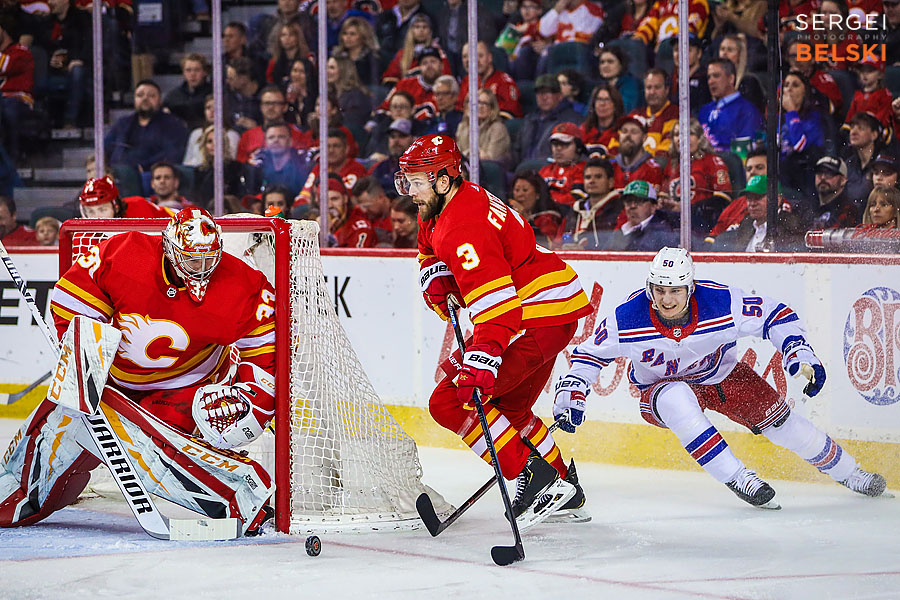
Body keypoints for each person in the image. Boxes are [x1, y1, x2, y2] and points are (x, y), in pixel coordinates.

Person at [0, 208, 276, 532]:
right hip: (113, 379)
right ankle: (12, 497)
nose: (201, 270)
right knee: (56, 426)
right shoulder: (124, 253)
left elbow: (266, 354)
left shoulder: (244, 286)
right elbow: (72, 300)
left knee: (152, 450)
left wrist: (250, 400)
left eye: (208, 260)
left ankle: (242, 496)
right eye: (192, 260)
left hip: (184, 386)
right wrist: (82, 354)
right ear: (171, 250)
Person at [554, 247, 887, 510]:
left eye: (675, 290)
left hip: (723, 376)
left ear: (690, 288)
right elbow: (588, 355)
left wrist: (797, 350)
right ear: (649, 288)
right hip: (660, 391)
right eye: (659, 290)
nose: (666, 299)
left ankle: (852, 474)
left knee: (785, 426)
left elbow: (776, 314)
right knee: (677, 397)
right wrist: (572, 391)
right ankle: (738, 477)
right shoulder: (627, 317)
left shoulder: (721, 302)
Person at [398, 134, 592, 525]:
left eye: (417, 181)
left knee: (450, 401)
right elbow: (427, 246)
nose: (410, 192)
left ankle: (530, 475)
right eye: (407, 181)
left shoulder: (463, 227)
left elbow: (498, 309)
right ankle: (562, 484)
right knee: (513, 408)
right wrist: (434, 277)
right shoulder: (448, 201)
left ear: (443, 178)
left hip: (531, 315)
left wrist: (481, 363)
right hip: (551, 308)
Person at [659, 118, 732, 236]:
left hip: (701, 223)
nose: (682, 138)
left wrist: (687, 209)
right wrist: (663, 203)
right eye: (677, 134)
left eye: (689, 133)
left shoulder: (712, 161)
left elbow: (723, 199)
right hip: (672, 222)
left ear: (699, 138)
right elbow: (663, 194)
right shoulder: (671, 165)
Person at [105, 80, 189, 173]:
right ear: (134, 100)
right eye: (140, 95)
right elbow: (107, 147)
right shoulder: (122, 123)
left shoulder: (174, 124)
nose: (145, 98)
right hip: (119, 172)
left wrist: (143, 167)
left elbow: (173, 154)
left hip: (152, 175)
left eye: (151, 96)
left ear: (160, 100)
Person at [709, 175, 805, 252]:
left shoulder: (792, 226)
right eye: (749, 198)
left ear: (777, 199)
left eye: (758, 197)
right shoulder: (746, 223)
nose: (752, 204)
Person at [698, 58, 764, 153]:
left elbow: (744, 153)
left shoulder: (747, 111)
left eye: (716, 76)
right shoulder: (704, 111)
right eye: (709, 77)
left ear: (730, 79)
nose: (710, 81)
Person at [515, 73, 582, 163]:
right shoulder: (529, 119)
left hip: (550, 171)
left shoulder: (572, 119)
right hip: (523, 171)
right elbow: (516, 151)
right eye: (539, 93)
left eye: (548, 92)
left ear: (560, 96)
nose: (544, 97)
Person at [565, 157, 624, 250]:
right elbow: (560, 238)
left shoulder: (620, 208)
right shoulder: (576, 209)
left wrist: (584, 250)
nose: (591, 181)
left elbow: (614, 244)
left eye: (598, 177)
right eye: (588, 177)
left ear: (611, 182)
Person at [236, 86, 306, 164]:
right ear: (261, 107)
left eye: (275, 103)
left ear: (285, 107)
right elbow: (242, 167)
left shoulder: (300, 135)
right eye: (266, 103)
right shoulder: (247, 136)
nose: (270, 107)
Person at [603, 180, 679, 251]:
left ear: (653, 206)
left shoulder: (662, 234)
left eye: (639, 201)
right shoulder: (620, 233)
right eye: (628, 201)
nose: (632, 206)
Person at [457, 41, 522, 120]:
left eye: (480, 56)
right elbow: (459, 109)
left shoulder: (504, 81)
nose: (473, 60)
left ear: (490, 58)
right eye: (465, 57)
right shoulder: (467, 81)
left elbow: (509, 113)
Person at [382, 13, 451, 86]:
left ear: (430, 31)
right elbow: (390, 76)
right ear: (411, 31)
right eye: (417, 27)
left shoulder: (438, 52)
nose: (421, 30)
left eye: (425, 27)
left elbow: (447, 76)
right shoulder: (402, 54)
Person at [509, 170, 568, 248]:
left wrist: (527, 221)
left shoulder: (548, 218)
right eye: (517, 190)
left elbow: (546, 245)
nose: (520, 194)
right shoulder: (507, 215)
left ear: (537, 194)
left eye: (525, 190)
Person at [455, 89, 512, 166]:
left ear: (492, 108)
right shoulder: (462, 126)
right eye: (476, 102)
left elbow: (491, 159)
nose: (479, 106)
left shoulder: (498, 128)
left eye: (484, 103)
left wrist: (466, 155)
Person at [77, 176, 175, 219]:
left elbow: (178, 219)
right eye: (91, 212)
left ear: (116, 206)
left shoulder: (139, 208)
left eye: (102, 210)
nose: (97, 218)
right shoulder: (81, 234)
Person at [184, 95, 241, 166]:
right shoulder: (196, 133)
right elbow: (187, 162)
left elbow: (231, 160)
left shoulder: (232, 135)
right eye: (208, 108)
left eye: (216, 107)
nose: (212, 111)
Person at [538, 122, 586, 206]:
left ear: (578, 147)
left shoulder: (585, 170)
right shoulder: (545, 170)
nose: (558, 148)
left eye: (565, 144)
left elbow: (576, 198)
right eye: (555, 144)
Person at [163, 53, 213, 131]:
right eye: (188, 70)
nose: (192, 74)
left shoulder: (213, 93)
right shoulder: (173, 96)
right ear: (183, 73)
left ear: (205, 72)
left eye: (197, 70)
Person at [611, 116, 664, 189]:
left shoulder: (653, 170)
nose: (628, 135)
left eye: (634, 132)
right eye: (624, 131)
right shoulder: (611, 167)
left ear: (644, 138)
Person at [809, 156, 860, 229]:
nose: (823, 177)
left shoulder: (849, 210)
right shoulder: (806, 207)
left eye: (829, 174)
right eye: (819, 173)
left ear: (843, 180)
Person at [325, 175, 376, 248]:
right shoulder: (315, 226)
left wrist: (329, 236)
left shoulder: (361, 227)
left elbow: (357, 258)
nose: (330, 205)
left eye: (334, 199)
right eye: (324, 201)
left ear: (345, 198)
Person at [370, 119, 416, 195]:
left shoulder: (419, 167)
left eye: (402, 136)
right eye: (392, 136)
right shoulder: (380, 167)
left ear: (413, 139)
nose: (396, 141)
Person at [333, 16, 381, 87]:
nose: (348, 37)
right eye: (345, 33)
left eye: (352, 34)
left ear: (363, 36)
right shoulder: (337, 57)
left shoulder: (372, 59)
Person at [580, 83, 624, 157]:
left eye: (607, 100)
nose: (602, 104)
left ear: (615, 105)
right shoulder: (583, 129)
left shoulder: (622, 132)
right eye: (599, 99)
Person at [597, 46, 641, 113]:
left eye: (610, 62)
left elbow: (626, 111)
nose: (605, 66)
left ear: (621, 65)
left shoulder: (631, 85)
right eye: (602, 62)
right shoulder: (600, 87)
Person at [352, 176, 393, 245]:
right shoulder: (360, 214)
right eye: (361, 206)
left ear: (381, 197)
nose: (363, 210)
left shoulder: (399, 217)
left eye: (366, 206)